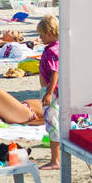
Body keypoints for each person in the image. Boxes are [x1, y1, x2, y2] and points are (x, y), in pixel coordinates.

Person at [38, 14, 62, 170]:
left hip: (51, 92)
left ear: (49, 32)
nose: (40, 38)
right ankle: (56, 159)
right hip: (51, 91)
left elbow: (55, 72)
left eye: (41, 35)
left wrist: (48, 93)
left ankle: (55, 161)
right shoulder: (57, 48)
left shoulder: (52, 51)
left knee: (52, 126)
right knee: (54, 124)